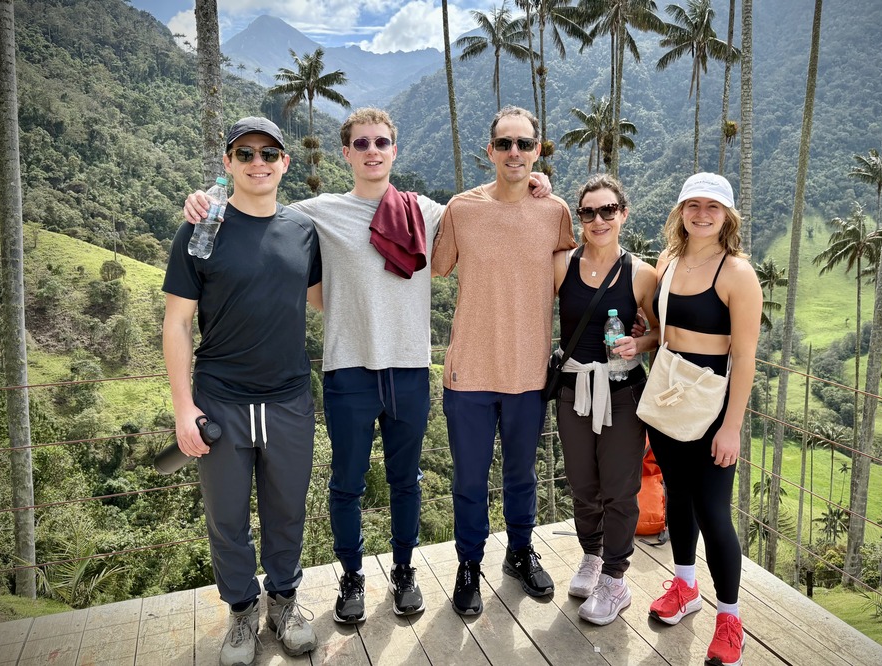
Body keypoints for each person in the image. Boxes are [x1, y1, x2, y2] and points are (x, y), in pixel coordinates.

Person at [183, 107, 552, 624]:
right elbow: (258, 200)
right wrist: (208, 198)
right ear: (346, 153)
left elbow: (489, 205)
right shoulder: (317, 212)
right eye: (362, 144)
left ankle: (404, 572)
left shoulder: (427, 211)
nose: (372, 150)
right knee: (347, 483)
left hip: (408, 369)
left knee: (407, 481)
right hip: (348, 371)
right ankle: (352, 576)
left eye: (382, 142)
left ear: (394, 151)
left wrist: (529, 179)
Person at [163, 117, 321, 665]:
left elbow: (323, 298)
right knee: (226, 517)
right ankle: (241, 613)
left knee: (287, 510)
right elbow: (177, 323)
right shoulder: (200, 229)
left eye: (269, 153)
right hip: (221, 400)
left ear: (284, 164)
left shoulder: (302, 230)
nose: (258, 162)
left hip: (288, 398)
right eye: (245, 153)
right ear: (227, 163)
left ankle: (283, 602)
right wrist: (184, 409)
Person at [432, 105, 576, 616]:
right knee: (469, 480)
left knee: (522, 476)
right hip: (468, 371)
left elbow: (581, 276)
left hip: (528, 371)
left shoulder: (555, 212)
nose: (514, 152)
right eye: (504, 144)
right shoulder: (461, 210)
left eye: (524, 144)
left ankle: (519, 551)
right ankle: (469, 564)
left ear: (538, 150)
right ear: (489, 151)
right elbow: (434, 264)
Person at [645, 173, 762, 666]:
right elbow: (663, 332)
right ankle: (686, 585)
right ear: (680, 211)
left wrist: (732, 426)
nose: (701, 214)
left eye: (712, 207)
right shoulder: (667, 261)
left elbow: (747, 358)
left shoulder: (737, 273)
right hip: (669, 398)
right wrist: (641, 339)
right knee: (679, 498)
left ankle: (730, 617)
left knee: (714, 510)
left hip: (712, 404)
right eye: (692, 205)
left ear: (727, 216)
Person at [552, 175, 660, 625]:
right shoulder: (562, 265)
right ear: (579, 218)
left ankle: (616, 577)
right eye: (588, 212)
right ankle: (592, 557)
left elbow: (659, 332)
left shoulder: (642, 273)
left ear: (623, 213)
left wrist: (641, 343)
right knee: (581, 484)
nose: (598, 220)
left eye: (607, 210)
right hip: (573, 389)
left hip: (622, 392)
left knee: (619, 489)